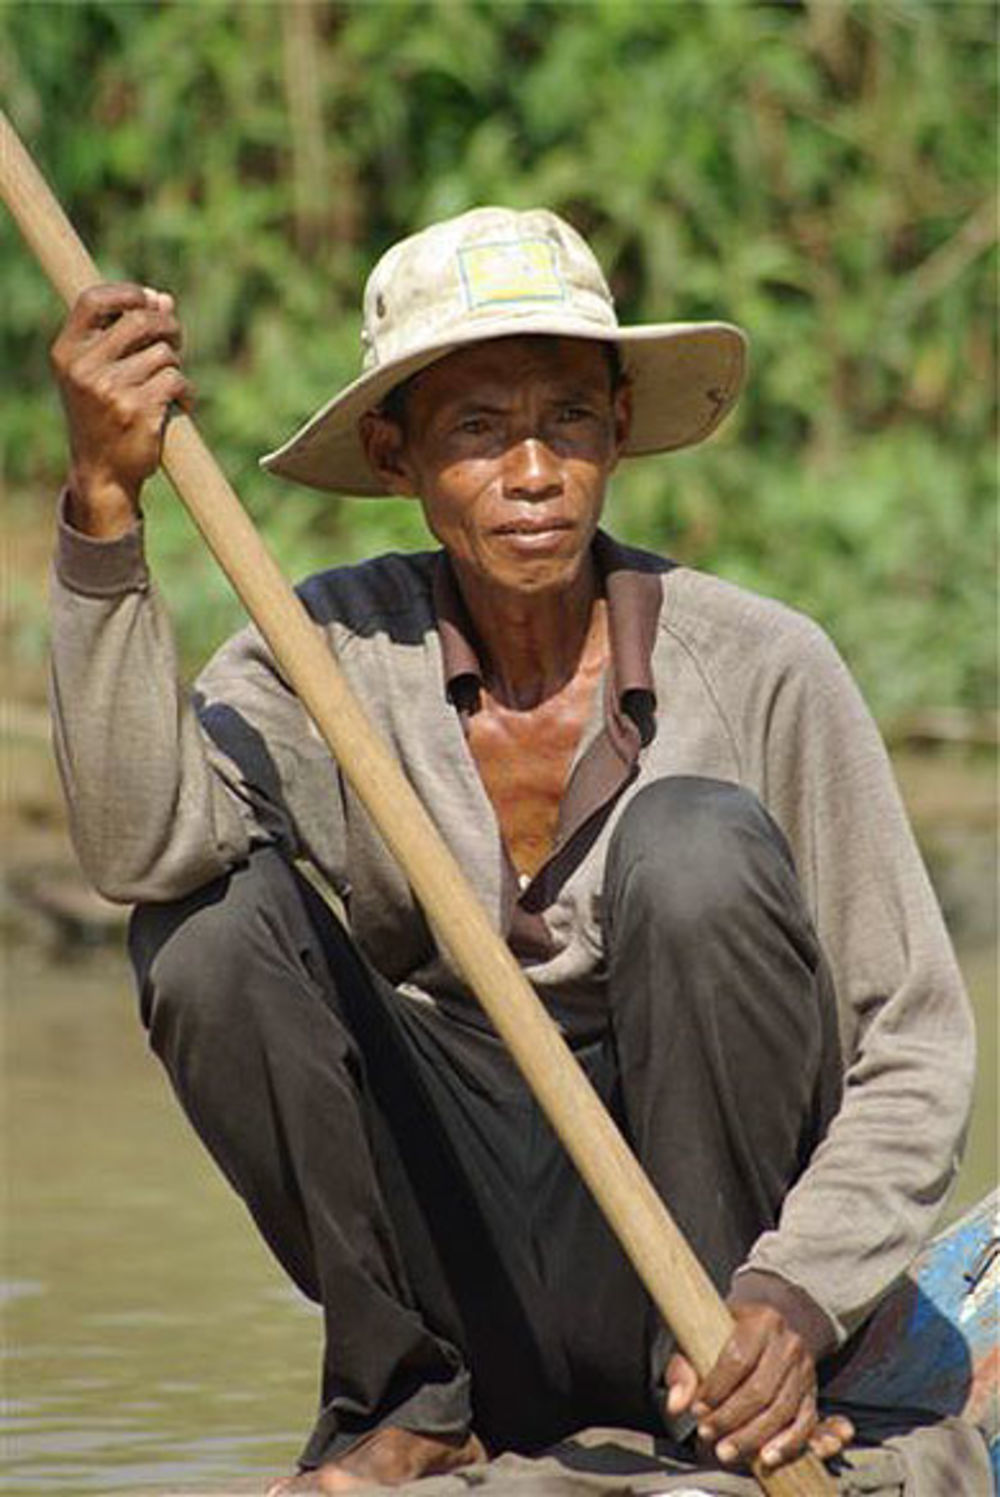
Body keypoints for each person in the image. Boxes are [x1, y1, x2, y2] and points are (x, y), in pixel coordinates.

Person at [48, 207, 979, 1494]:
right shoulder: (323, 659)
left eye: (568, 424)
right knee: (203, 931)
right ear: (398, 454)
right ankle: (409, 1399)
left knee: (692, 846)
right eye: (478, 430)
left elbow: (913, 1046)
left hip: (719, 1301)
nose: (533, 473)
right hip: (471, 1269)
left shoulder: (763, 668)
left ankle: (711, 1418)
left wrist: (792, 1297)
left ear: (615, 435)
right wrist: (104, 507)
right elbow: (141, 851)